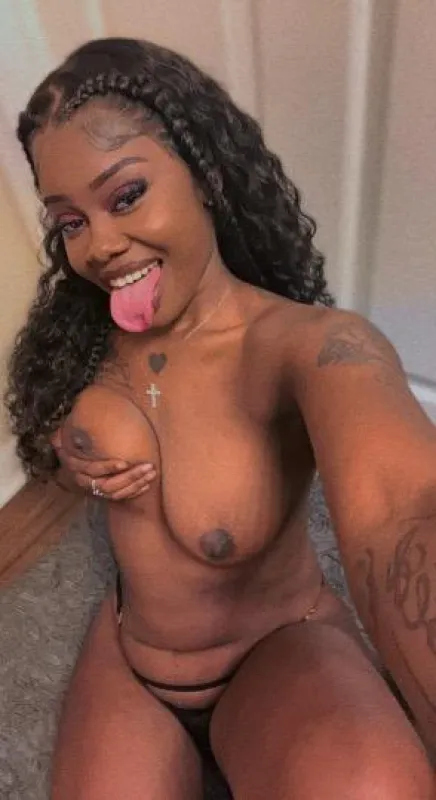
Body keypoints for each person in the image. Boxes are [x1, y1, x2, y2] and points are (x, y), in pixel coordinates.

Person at [5, 37, 436, 800]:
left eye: (125, 196)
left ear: (204, 172)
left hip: (275, 652)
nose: (100, 246)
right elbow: (46, 425)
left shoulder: (307, 347)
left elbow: (400, 509)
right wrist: (70, 451)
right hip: (131, 654)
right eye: (69, 222)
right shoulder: (83, 335)